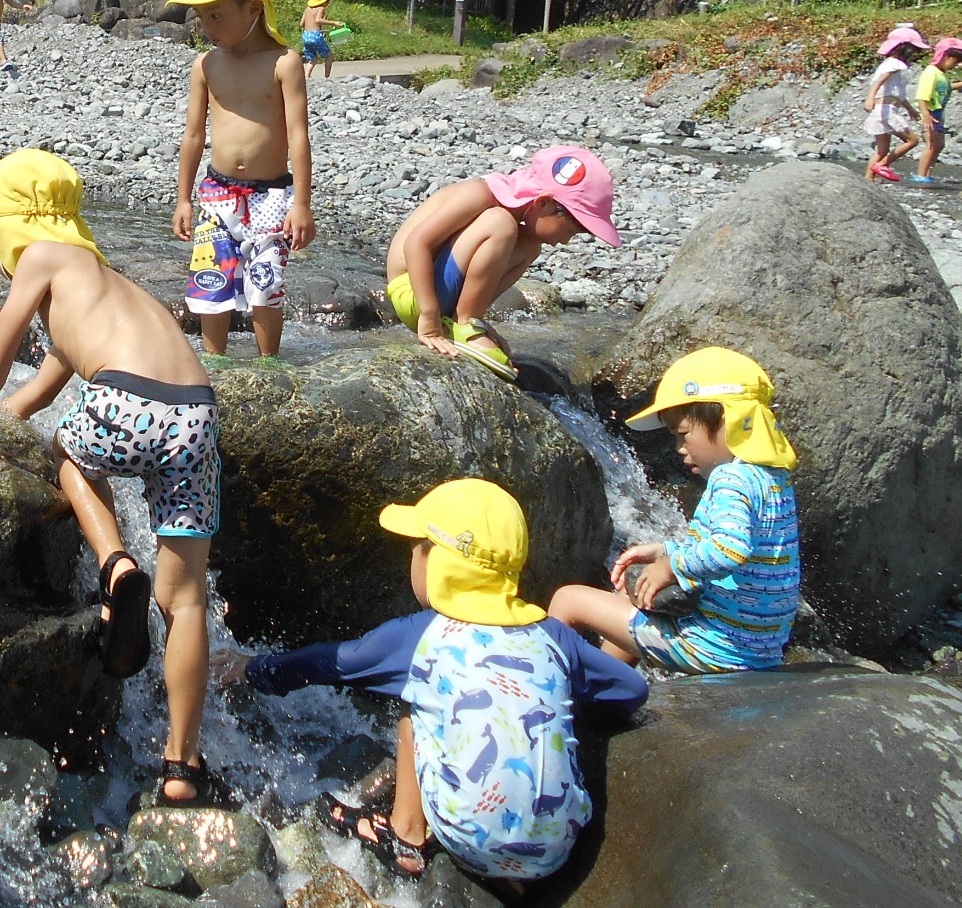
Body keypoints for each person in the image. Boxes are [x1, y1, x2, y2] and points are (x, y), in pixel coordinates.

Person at [0, 150, 223, 805]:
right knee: (187, 597)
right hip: (197, 412)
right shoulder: (104, 279)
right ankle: (182, 767)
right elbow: (36, 388)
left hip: (128, 399)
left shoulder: (42, 260)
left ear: (13, 224)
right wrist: (3, 424)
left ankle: (114, 565)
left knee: (71, 453)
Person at [239, 479, 647, 883]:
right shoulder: (551, 635)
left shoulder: (419, 637)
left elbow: (329, 663)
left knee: (415, 693)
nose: (411, 560)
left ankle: (406, 838)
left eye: (417, 550)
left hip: (469, 842)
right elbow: (632, 690)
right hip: (557, 848)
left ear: (442, 562)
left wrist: (250, 669)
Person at [549, 347, 800, 675]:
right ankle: (599, 694)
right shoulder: (773, 479)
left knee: (569, 599)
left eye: (683, 434)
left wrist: (670, 567)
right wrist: (666, 549)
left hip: (714, 648)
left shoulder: (731, 478)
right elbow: (747, 553)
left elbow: (730, 550)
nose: (679, 449)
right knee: (635, 611)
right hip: (759, 650)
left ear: (728, 419)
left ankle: (541, 691)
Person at [168, 0, 316, 362]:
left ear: (253, 9)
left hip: (270, 196)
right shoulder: (207, 65)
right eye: (201, 17)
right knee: (210, 283)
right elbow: (194, 135)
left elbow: (298, 136)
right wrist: (183, 198)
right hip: (216, 194)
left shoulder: (284, 63)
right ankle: (215, 363)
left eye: (217, 15)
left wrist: (301, 204)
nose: (207, 26)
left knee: (265, 285)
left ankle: (269, 364)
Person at [384, 147, 619, 379]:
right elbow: (416, 244)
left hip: (439, 296)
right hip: (414, 293)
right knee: (501, 223)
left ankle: (467, 321)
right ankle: (466, 324)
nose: (566, 241)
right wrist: (429, 315)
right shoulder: (478, 194)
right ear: (543, 203)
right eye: (570, 231)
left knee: (529, 245)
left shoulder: (522, 234)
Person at [863, 24, 926, 181]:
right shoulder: (896, 63)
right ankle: (882, 165)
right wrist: (870, 97)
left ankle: (868, 181)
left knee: (881, 150)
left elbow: (898, 94)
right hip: (887, 111)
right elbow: (879, 81)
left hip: (881, 110)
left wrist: (910, 109)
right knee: (912, 140)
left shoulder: (889, 63)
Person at [911, 36, 962, 184]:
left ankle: (927, 173)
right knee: (932, 144)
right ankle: (921, 175)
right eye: (955, 62)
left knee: (939, 145)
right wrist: (925, 114)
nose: (955, 66)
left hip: (938, 113)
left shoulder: (941, 74)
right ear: (945, 56)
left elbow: (948, 87)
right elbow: (922, 96)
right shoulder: (931, 72)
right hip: (929, 113)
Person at [299, 0, 345, 79]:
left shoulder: (307, 9)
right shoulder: (321, 8)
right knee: (329, 56)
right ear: (325, 0)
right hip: (315, 36)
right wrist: (334, 23)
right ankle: (327, 77)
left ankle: (306, 76)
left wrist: (319, 30)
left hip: (306, 36)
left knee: (313, 58)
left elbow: (302, 24)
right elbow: (318, 20)